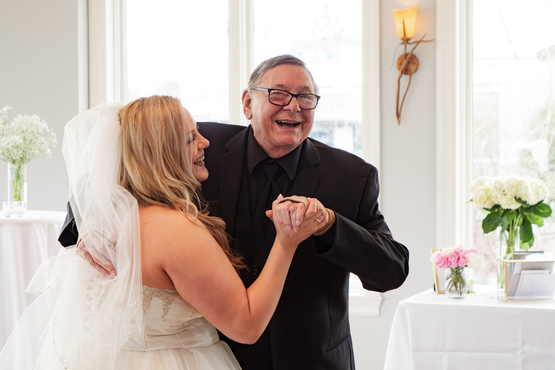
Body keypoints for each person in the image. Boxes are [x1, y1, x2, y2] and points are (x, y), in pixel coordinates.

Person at [59, 55, 410, 369]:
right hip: (217, 355)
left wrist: (330, 225)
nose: (294, 106)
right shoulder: (198, 148)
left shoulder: (351, 176)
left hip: (314, 359)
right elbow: (109, 171)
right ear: (247, 103)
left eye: (306, 97)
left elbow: (392, 270)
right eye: (278, 94)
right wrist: (92, 221)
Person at [0, 96, 324, 370]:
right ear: (161, 152)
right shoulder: (176, 231)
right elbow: (246, 325)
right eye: (190, 138)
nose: (205, 142)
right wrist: (287, 241)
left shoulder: (121, 220)